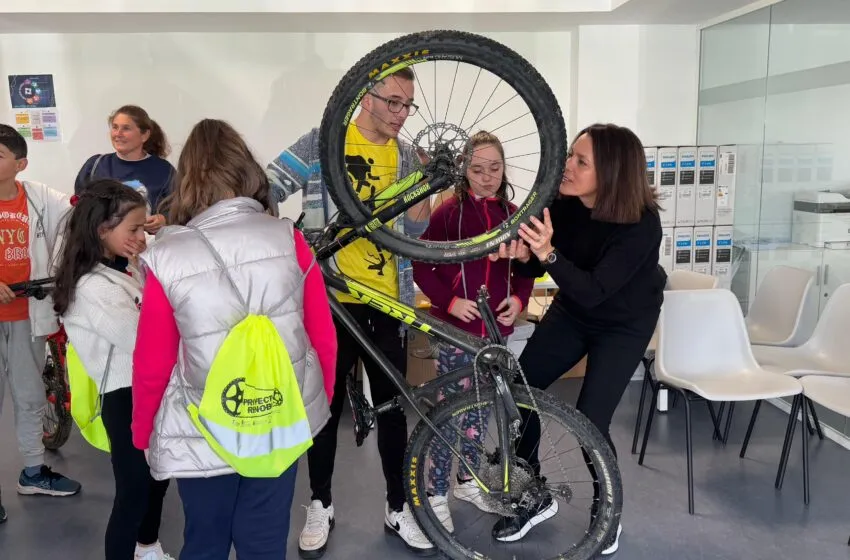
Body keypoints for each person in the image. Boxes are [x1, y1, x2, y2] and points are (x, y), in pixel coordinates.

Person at [130, 119, 336, 560]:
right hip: (276, 417)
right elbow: (322, 335)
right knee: (264, 541)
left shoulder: (165, 256)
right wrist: (318, 399)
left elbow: (153, 362)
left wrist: (144, 429)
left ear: (188, 180)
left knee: (204, 540)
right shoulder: (290, 238)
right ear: (247, 171)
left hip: (203, 427)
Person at [266, 66, 433, 557]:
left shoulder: (405, 155)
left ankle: (398, 506)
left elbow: (416, 236)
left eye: (409, 105)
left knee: (391, 406)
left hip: (387, 301)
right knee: (325, 408)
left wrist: (425, 190)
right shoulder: (324, 142)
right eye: (393, 102)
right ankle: (321, 502)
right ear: (365, 97)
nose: (401, 115)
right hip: (331, 299)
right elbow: (268, 187)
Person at [490, 123, 666, 555]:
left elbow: (594, 288)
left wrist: (548, 253)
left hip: (623, 323)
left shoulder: (642, 225)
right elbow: (538, 271)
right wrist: (527, 255)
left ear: (610, 173)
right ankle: (532, 494)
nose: (566, 166)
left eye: (580, 161)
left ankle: (607, 510)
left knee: (589, 418)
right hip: (574, 311)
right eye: (570, 155)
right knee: (521, 391)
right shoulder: (563, 203)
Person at [412, 131, 534, 528]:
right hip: (455, 334)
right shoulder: (448, 213)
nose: (486, 177)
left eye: (494, 168)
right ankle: (434, 492)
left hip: (495, 334)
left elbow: (525, 270)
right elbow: (421, 264)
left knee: (482, 413)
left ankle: (466, 480)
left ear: (504, 168)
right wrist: (449, 302)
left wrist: (518, 301)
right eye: (477, 169)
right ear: (464, 170)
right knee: (450, 413)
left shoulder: (514, 214)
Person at [52, 180, 172, 560]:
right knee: (134, 490)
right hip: (125, 397)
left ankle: (148, 547)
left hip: (149, 390)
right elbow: (141, 339)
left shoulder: (124, 269)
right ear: (102, 230)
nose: (140, 236)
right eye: (133, 229)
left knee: (157, 479)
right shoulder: (92, 286)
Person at [0, 124, 80, 526]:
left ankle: (32, 472)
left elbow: (78, 208)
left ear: (20, 163)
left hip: (27, 317)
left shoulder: (37, 196)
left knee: (31, 397)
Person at [74, 105, 174, 236]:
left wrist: (164, 219)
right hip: (100, 250)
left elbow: (178, 208)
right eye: (115, 127)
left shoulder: (164, 171)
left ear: (144, 135)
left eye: (126, 128)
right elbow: (80, 209)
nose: (118, 134)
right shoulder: (95, 166)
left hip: (144, 251)